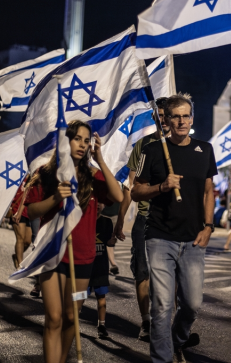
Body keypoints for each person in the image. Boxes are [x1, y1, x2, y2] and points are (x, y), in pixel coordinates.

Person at [25, 120, 122, 363]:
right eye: (77, 138)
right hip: (51, 255)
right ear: (65, 141)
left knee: (72, 317)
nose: (83, 144)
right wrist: (55, 197)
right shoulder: (47, 174)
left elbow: (118, 195)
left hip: (83, 260)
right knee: (55, 318)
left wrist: (100, 160)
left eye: (87, 140)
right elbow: (32, 211)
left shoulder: (93, 175)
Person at [131, 93, 217, 363]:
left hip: (193, 239)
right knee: (162, 306)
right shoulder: (153, 150)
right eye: (175, 116)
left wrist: (209, 226)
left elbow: (209, 190)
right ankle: (162, 358)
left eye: (185, 115)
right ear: (165, 120)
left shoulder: (205, 149)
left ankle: (178, 339)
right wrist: (162, 187)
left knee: (191, 305)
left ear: (192, 118)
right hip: (160, 237)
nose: (181, 121)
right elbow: (136, 192)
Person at [116, 96, 169, 341]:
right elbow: (131, 186)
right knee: (143, 272)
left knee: (172, 276)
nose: (165, 121)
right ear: (155, 118)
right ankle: (146, 321)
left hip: (173, 221)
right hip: (145, 219)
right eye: (159, 116)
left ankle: (167, 321)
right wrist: (119, 220)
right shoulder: (143, 146)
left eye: (168, 115)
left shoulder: (184, 146)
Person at [88, 204, 116, 339]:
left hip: (101, 267)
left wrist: (113, 263)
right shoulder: (84, 220)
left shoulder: (107, 222)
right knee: (79, 297)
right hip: (85, 267)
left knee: (102, 298)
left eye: (101, 202)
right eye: (95, 202)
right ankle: (72, 319)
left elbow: (109, 244)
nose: (97, 205)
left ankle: (102, 325)